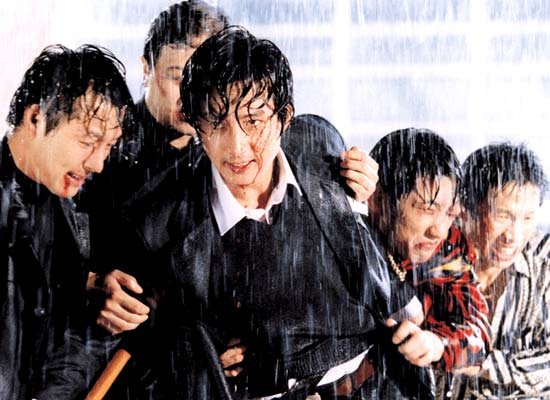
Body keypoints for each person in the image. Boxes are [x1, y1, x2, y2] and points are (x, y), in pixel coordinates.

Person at [95, 26, 422, 399]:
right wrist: (196, 361)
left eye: (253, 121)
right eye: (216, 122)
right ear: (196, 123)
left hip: (377, 380)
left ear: (284, 118)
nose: (237, 147)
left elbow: (384, 296)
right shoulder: (157, 222)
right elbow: (135, 350)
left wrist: (359, 201)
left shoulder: (321, 149)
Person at [85, 1, 379, 341]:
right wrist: (87, 283)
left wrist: (356, 195)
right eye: (177, 76)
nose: (190, 93)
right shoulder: (103, 148)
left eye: (207, 78)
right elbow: (50, 237)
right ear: (146, 68)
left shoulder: (286, 141)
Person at [0, 44, 132, 399]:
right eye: (88, 141)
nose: (98, 164)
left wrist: (90, 291)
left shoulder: (69, 204)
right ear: (36, 118)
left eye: (109, 146)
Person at [363, 128, 491, 398]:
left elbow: (478, 329)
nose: (439, 231)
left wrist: (437, 344)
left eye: (450, 213)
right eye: (427, 209)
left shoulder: (447, 246)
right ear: (378, 200)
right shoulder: (344, 237)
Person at [448, 143, 549, 399]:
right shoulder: (433, 255)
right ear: (468, 209)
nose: (513, 236)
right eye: (502, 216)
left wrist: (484, 365)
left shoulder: (543, 264)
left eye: (527, 218)